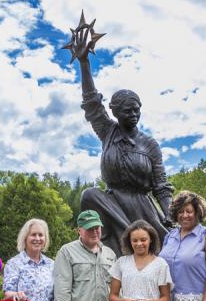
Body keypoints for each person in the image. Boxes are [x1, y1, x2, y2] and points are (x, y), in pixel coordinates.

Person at [70, 24, 173, 253]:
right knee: (89, 195)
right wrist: (84, 63)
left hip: (142, 207)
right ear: (115, 112)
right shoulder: (108, 131)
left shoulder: (150, 144)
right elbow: (91, 103)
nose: (134, 115)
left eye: (137, 110)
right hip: (113, 204)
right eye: (128, 111)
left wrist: (168, 213)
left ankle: (137, 239)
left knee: (167, 247)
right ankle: (126, 238)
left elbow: (162, 186)